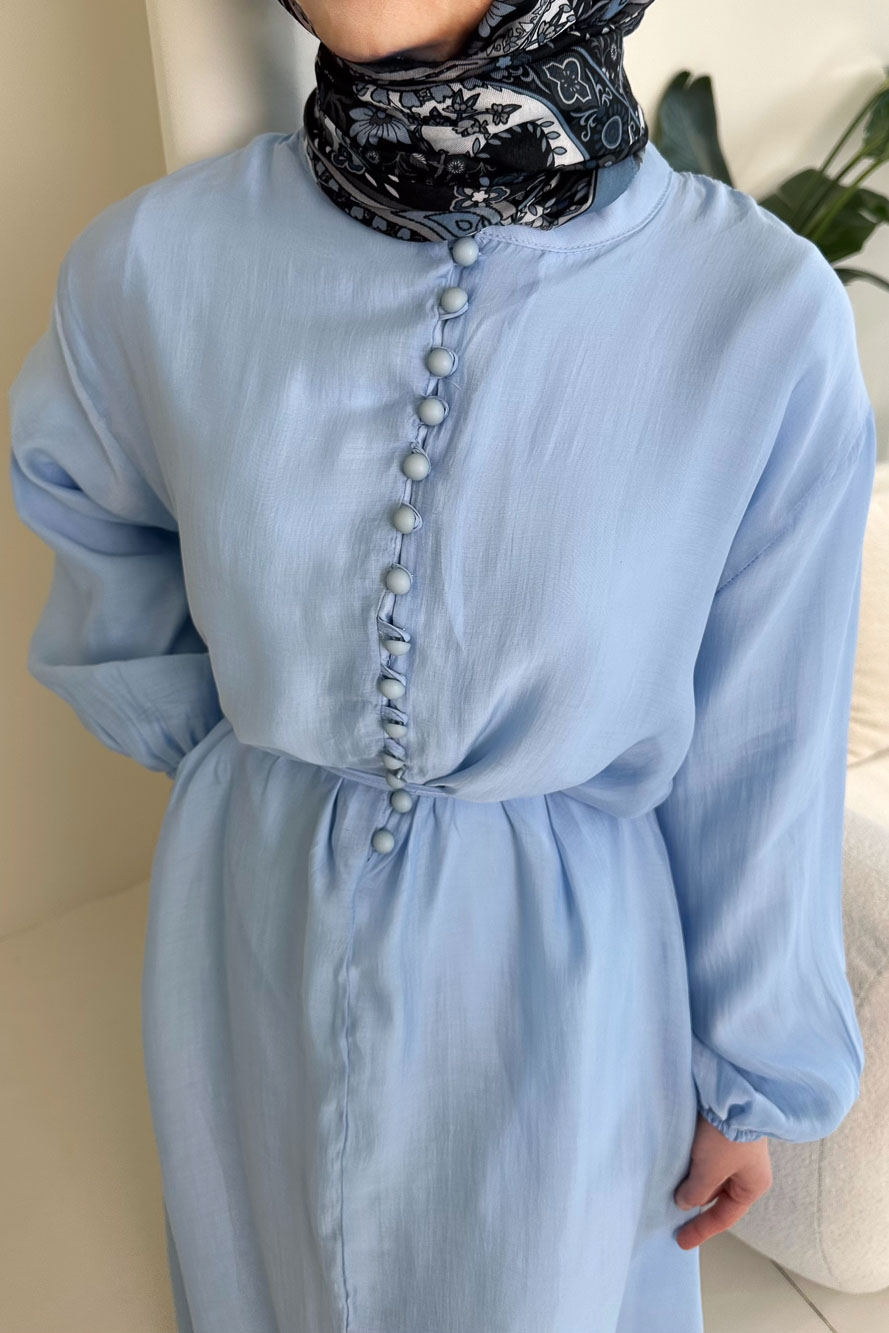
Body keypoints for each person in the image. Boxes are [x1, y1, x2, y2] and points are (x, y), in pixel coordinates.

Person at [8, 1, 875, 1329]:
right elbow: (82, 493)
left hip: (563, 1003)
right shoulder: (155, 264)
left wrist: (747, 1072)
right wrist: (237, 751)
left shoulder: (753, 315)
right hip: (246, 940)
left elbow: (764, 742)